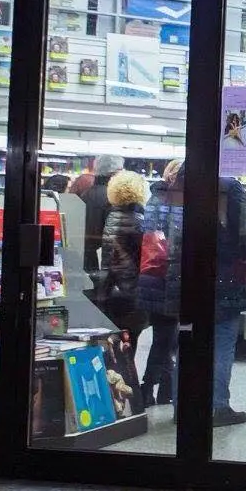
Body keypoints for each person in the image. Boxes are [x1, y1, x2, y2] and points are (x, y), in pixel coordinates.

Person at [139, 159, 184, 407]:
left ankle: (165, 388)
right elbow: (170, 243)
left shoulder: (155, 199)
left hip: (155, 277)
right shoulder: (167, 202)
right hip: (163, 278)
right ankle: (147, 388)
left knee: (167, 337)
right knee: (165, 339)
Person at [214, 177, 246, 426]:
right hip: (227, 283)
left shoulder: (187, 186)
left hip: (189, 282)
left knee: (186, 343)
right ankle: (219, 406)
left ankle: (181, 405)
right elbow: (244, 234)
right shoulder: (233, 193)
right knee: (223, 345)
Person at [100, 170, 149, 361]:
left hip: (112, 288)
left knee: (117, 344)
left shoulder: (111, 218)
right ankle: (129, 388)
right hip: (132, 290)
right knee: (130, 344)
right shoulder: (139, 221)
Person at [82, 154, 125, 295]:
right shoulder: (113, 198)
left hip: (85, 256)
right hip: (104, 260)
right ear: (115, 173)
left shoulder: (85, 194)